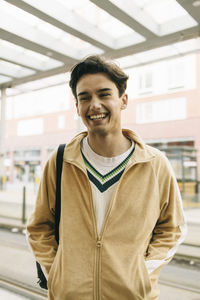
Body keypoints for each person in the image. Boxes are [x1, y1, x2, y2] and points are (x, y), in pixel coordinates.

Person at [27, 55, 187, 300]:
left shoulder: (155, 165)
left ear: (123, 100)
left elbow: (172, 228)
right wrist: (56, 272)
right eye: (85, 97)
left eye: (104, 94)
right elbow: (39, 227)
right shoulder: (59, 162)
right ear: (77, 106)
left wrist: (143, 273)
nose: (94, 105)